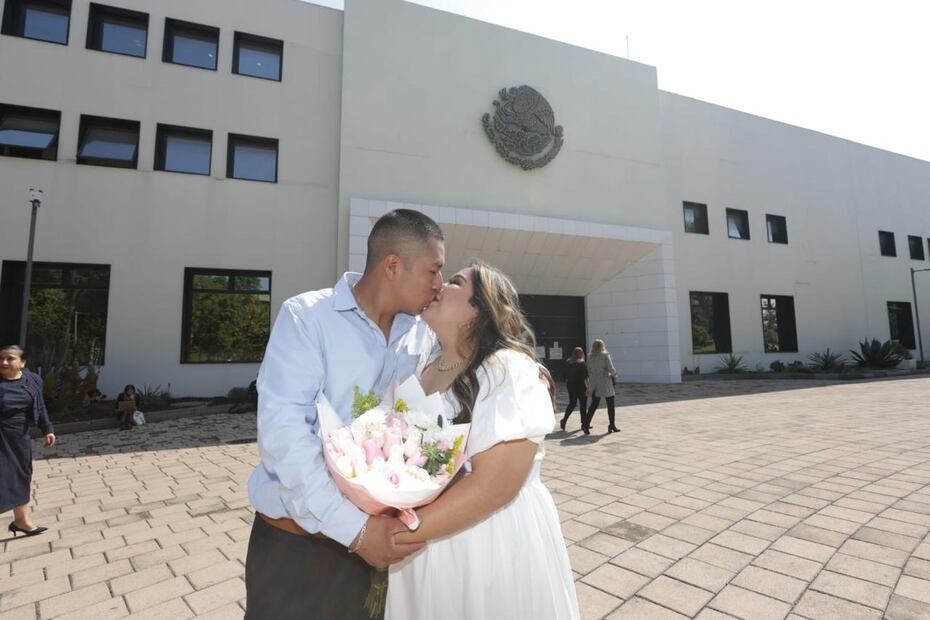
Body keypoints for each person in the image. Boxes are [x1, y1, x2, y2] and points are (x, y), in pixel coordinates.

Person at [244, 209, 445, 619]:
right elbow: (284, 439)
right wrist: (356, 532)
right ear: (393, 265)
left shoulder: (422, 333)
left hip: (379, 551)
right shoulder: (307, 318)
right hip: (299, 551)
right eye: (434, 271)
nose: (440, 285)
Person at [386, 262, 580, 620]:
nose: (439, 284)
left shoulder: (506, 369)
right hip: (420, 545)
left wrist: (403, 532)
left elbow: (496, 484)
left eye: (456, 281)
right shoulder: (422, 368)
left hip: (488, 542)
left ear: (481, 308)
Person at [1, 345, 55, 537]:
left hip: (19, 437)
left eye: (10, 358)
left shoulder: (32, 380)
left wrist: (47, 429)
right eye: (1, 359)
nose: (4, 362)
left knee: (21, 475)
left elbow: (39, 406)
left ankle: (21, 521)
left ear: (22, 363)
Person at [582, 339, 619, 434]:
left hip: (594, 382)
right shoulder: (605, 355)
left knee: (594, 404)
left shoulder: (589, 356)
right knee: (610, 404)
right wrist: (615, 375)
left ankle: (586, 424)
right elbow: (611, 369)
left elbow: (588, 370)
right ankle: (612, 425)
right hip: (605, 381)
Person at [560, 346, 590, 431]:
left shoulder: (568, 362)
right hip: (581, 386)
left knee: (572, 403)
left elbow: (564, 375)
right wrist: (588, 387)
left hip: (570, 385)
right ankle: (584, 423)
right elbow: (585, 378)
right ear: (581, 354)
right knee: (583, 404)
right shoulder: (582, 363)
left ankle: (564, 420)